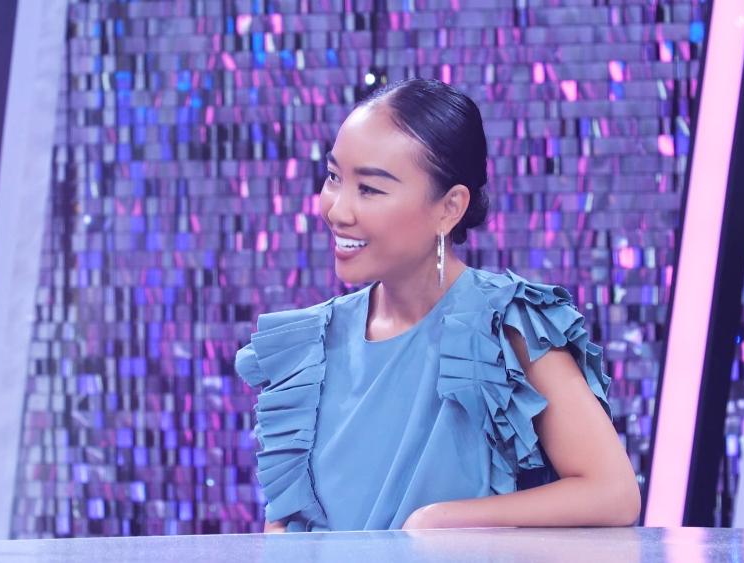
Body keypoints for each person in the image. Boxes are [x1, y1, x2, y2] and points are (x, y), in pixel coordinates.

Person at [234, 78, 641, 532]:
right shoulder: (308, 347)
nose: (337, 210)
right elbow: (285, 527)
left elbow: (613, 493)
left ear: (449, 208)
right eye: (334, 177)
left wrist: (441, 520)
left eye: (369, 189)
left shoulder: (509, 325)